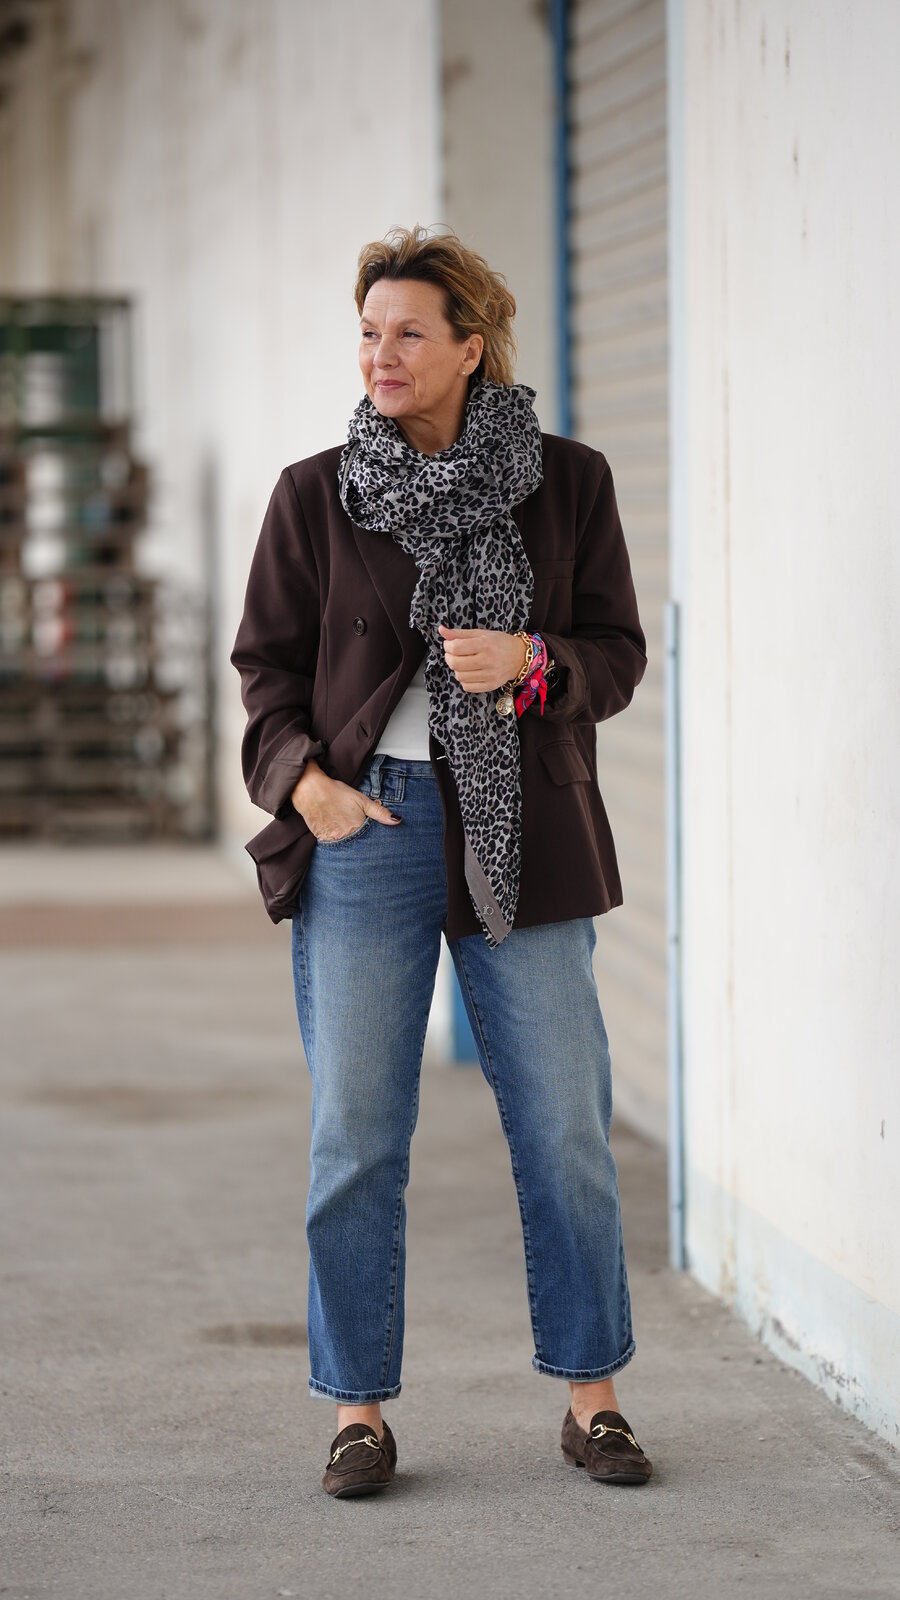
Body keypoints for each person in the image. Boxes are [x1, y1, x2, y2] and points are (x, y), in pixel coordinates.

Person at [230, 225, 652, 1499]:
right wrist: (308, 786)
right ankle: (357, 1409)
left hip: (526, 830)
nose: (383, 353)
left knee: (565, 1126)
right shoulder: (316, 492)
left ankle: (593, 1398)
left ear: (472, 346)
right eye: (369, 332)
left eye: (410, 331)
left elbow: (617, 653)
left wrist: (534, 662)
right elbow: (265, 668)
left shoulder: (567, 481)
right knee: (356, 1133)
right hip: (371, 829)